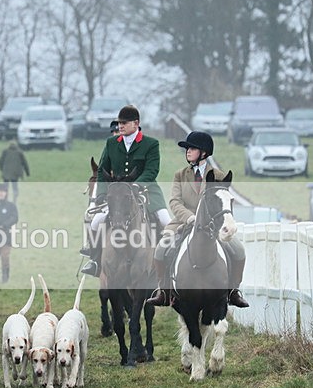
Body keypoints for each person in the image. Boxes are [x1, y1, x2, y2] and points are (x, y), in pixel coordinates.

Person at [146, 131, 249, 308]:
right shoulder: (180, 174)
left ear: (204, 152)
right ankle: (163, 291)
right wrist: (190, 218)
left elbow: (224, 201)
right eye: (187, 148)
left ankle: (233, 291)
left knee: (239, 251)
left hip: (213, 225)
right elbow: (174, 201)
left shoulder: (218, 175)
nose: (187, 151)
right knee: (160, 250)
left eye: (192, 148)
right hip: (183, 222)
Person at [80, 105, 171, 276]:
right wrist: (101, 193)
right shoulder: (111, 143)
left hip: (147, 191)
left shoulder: (151, 143)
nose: (120, 126)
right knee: (95, 221)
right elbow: (102, 170)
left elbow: (152, 170)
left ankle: (165, 263)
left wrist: (136, 185)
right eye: (119, 123)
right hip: (117, 194)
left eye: (124, 123)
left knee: (166, 222)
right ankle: (95, 261)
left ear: (136, 123)